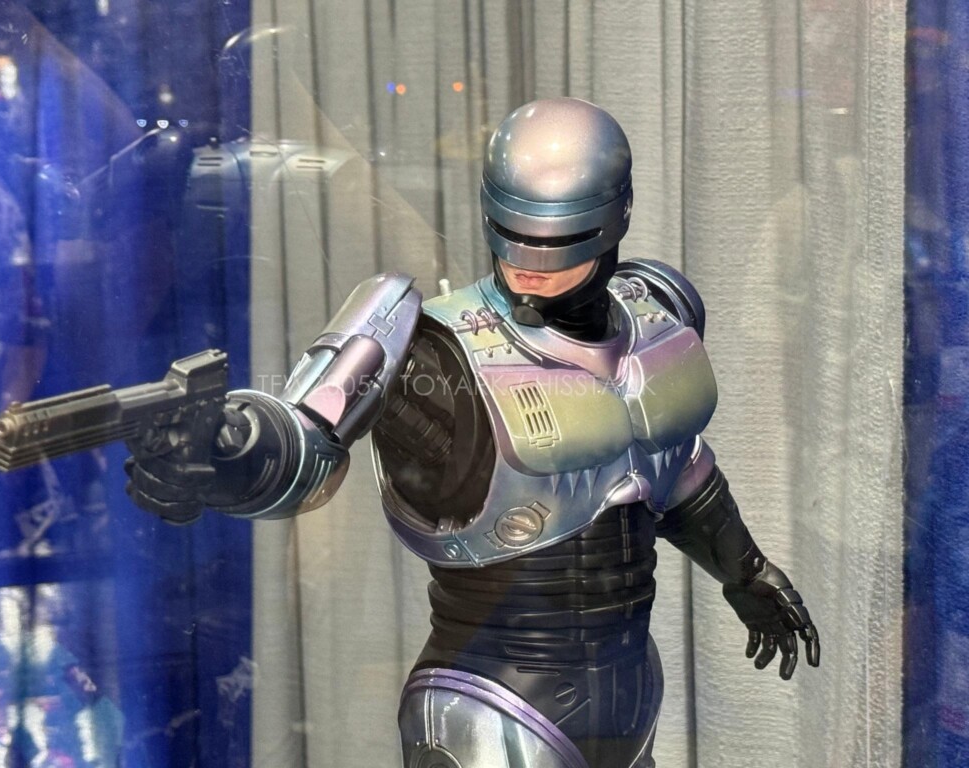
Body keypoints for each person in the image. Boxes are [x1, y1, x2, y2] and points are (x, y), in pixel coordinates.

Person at [124, 98, 819, 768]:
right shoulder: (433, 348)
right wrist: (224, 452)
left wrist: (746, 571)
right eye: (514, 236)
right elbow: (306, 436)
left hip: (630, 697)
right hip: (492, 700)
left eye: (557, 245)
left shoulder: (655, 317)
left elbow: (680, 471)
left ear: (612, 224)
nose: (529, 264)